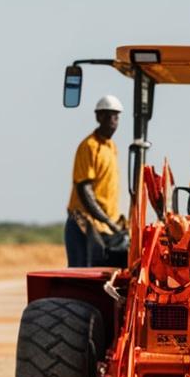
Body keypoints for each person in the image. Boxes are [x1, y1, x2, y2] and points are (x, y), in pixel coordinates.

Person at [65, 95, 126, 267]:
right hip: (84, 224)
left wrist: (113, 222)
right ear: (98, 117)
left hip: (104, 227)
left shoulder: (111, 147)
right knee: (82, 275)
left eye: (116, 116)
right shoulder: (89, 146)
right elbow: (85, 190)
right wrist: (107, 221)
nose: (112, 121)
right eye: (107, 116)